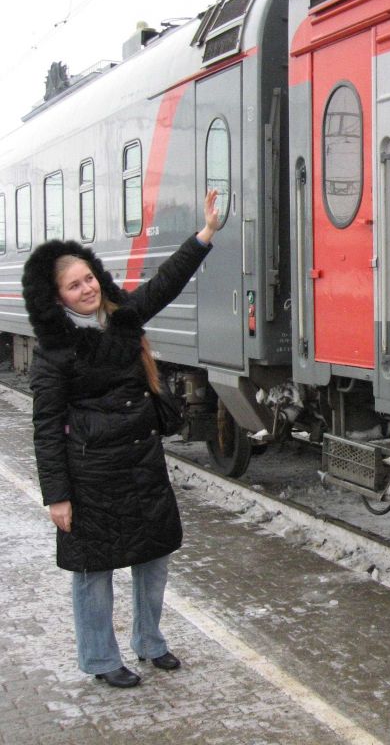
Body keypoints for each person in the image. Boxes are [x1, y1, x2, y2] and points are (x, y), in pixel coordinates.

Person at [22, 189, 222, 688]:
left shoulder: (122, 318)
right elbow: (46, 427)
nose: (86, 289)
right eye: (74, 285)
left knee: (154, 556)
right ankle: (100, 658)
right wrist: (58, 497)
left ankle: (150, 642)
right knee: (94, 571)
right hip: (91, 475)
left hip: (139, 463)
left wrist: (204, 236)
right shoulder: (54, 353)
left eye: (89, 278)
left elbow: (164, 286)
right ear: (57, 297)